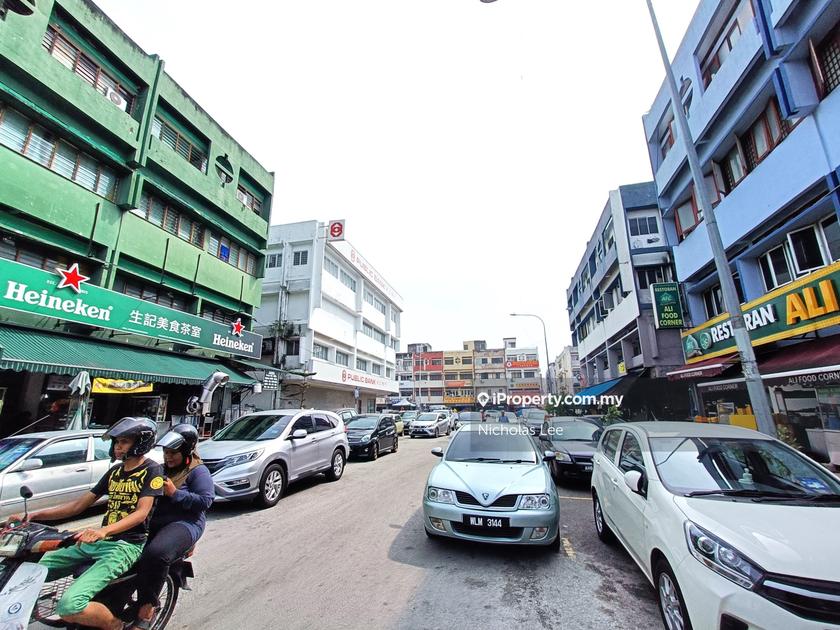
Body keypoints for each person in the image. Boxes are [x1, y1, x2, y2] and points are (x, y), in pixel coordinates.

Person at [6, 417, 164, 630]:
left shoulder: (152, 470)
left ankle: (117, 626)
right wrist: (33, 516)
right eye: (116, 442)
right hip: (94, 542)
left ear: (141, 442)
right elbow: (77, 506)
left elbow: (141, 513)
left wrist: (103, 531)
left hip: (125, 546)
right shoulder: (114, 472)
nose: (118, 447)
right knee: (21, 574)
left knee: (70, 606)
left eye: (124, 441)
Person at [129, 424, 213, 630]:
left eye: (174, 453)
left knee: (156, 553)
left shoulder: (198, 471)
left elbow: (205, 501)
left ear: (187, 451)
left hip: (185, 523)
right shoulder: (159, 469)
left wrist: (175, 493)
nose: (169, 457)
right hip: (156, 522)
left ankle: (147, 609)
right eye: (166, 452)